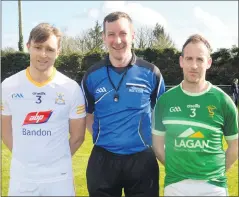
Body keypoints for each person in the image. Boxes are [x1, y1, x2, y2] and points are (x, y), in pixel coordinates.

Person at [81, 11, 165, 197]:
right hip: (103, 159)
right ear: (103, 37)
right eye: (111, 34)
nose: (117, 40)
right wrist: (103, 136)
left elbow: (161, 114)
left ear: (133, 35)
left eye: (123, 33)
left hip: (142, 159)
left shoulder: (152, 73)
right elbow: (88, 113)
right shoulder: (92, 75)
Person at [1, 23, 86, 196]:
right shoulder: (8, 86)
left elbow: (78, 137)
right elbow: (5, 132)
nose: (43, 54)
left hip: (59, 178)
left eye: (50, 49)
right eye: (38, 47)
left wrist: (55, 160)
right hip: (22, 177)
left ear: (58, 52)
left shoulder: (71, 88)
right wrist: (27, 158)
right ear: (28, 47)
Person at [152, 34, 238, 196]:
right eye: (189, 59)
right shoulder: (165, 101)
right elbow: (157, 145)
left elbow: (235, 146)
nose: (194, 65)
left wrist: (215, 172)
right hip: (176, 185)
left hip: (214, 187)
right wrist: (176, 169)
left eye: (200, 59)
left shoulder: (223, 101)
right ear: (181, 61)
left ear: (209, 63)